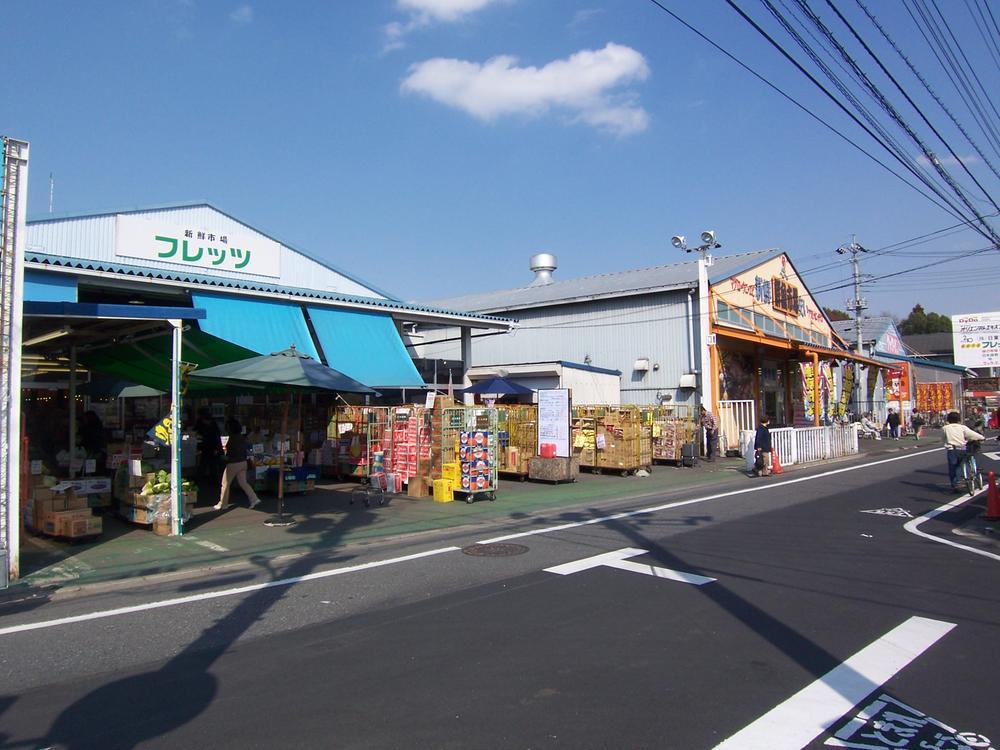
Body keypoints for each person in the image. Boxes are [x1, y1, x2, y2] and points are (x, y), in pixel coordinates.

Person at [214, 417, 262, 510]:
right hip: (243, 463)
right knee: (243, 483)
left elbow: (230, 453)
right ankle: (254, 499)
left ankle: (223, 504)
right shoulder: (242, 437)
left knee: (225, 484)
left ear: (230, 428)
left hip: (233, 463)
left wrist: (224, 456)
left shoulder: (232, 439)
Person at [942, 411, 984, 491]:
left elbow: (943, 438)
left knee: (952, 467)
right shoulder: (962, 427)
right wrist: (982, 437)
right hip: (962, 448)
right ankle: (968, 478)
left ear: (948, 420)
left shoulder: (945, 428)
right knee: (965, 462)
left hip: (952, 450)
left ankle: (955, 484)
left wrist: (946, 442)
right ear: (959, 420)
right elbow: (972, 434)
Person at [194, 407, 223, 482]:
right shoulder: (212, 425)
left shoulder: (211, 427)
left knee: (207, 464)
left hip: (210, 447)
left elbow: (215, 438)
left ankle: (204, 478)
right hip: (209, 447)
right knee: (209, 464)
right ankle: (211, 479)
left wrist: (216, 449)